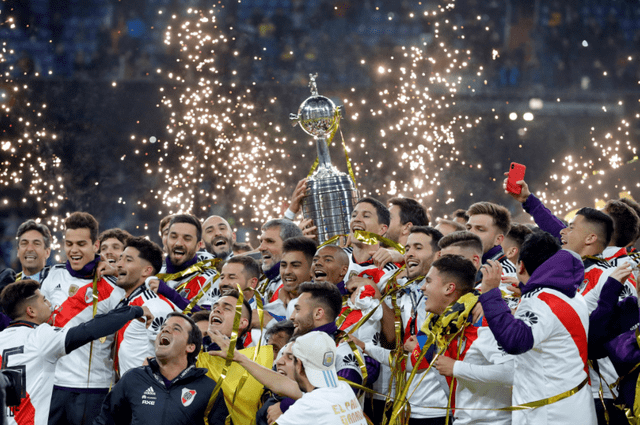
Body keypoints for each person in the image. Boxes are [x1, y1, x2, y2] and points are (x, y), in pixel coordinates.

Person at [479, 231, 597, 424]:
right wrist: (526, 289)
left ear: (521, 266)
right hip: (571, 403)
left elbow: (515, 341)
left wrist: (491, 293)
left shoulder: (541, 300)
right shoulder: (570, 292)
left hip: (549, 412)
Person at [0, 279, 152, 425]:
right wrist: (134, 310)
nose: (50, 304)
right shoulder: (41, 337)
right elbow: (91, 329)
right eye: (44, 300)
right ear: (31, 311)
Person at [40, 212, 126, 425]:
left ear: (96, 245)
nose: (74, 250)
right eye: (69, 244)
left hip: (94, 388)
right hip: (53, 384)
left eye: (81, 244)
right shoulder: (53, 276)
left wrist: (119, 272)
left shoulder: (113, 286)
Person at [210, 331, 367, 425]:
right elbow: (280, 383)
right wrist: (239, 357)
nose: (279, 361)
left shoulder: (306, 408)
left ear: (298, 364)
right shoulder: (341, 389)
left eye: (290, 357)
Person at [94, 313, 216, 425]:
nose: (165, 329)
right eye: (162, 327)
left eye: (176, 328)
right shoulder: (133, 378)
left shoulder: (208, 388)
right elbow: (105, 421)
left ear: (190, 347)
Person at [113, 236, 176, 376]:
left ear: (146, 271)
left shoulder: (154, 305)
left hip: (146, 393)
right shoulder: (127, 301)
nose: (119, 265)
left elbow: (170, 356)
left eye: (128, 260)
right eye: (120, 258)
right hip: (128, 389)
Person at [153, 214, 219, 308]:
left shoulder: (211, 278)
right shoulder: (153, 272)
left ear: (198, 245)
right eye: (173, 237)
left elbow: (207, 318)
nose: (179, 243)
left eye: (187, 239)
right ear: (166, 240)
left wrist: (170, 294)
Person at [264, 237, 316, 322]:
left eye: (295, 265)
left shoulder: (322, 305)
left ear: (312, 270)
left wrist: (271, 322)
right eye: (283, 265)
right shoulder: (271, 301)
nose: (287, 271)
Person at [256, 219, 303, 301]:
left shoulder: (299, 286)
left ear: (291, 246)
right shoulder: (266, 281)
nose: (261, 248)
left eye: (270, 241)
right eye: (261, 242)